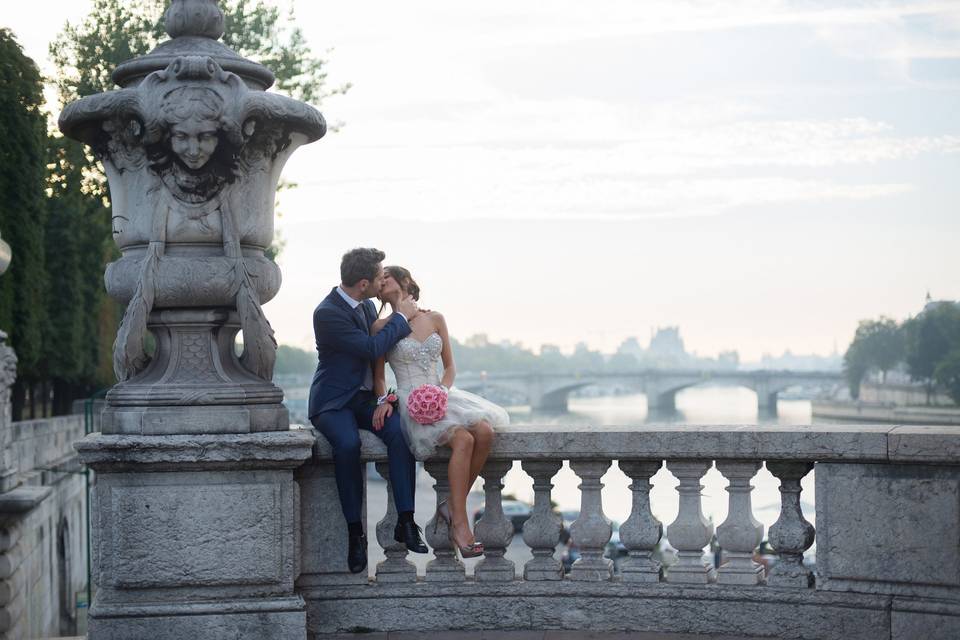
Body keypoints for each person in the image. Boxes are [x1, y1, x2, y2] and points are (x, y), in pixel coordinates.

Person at [371, 266, 509, 558]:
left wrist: (441, 392)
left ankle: (450, 505)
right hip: (410, 399)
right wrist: (384, 399)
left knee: (484, 431)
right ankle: (460, 523)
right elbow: (379, 375)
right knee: (464, 440)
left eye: (387, 277)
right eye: (378, 280)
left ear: (405, 281)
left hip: (441, 393)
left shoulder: (435, 318)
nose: (380, 281)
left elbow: (449, 367)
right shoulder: (380, 327)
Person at [308, 249, 429, 574]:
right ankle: (355, 533)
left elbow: (378, 359)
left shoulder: (366, 305)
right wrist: (402, 318)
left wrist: (383, 401)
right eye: (378, 278)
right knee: (347, 445)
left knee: (398, 433)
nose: (382, 281)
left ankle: (406, 519)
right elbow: (372, 348)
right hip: (333, 402)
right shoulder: (327, 313)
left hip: (364, 400)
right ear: (363, 283)